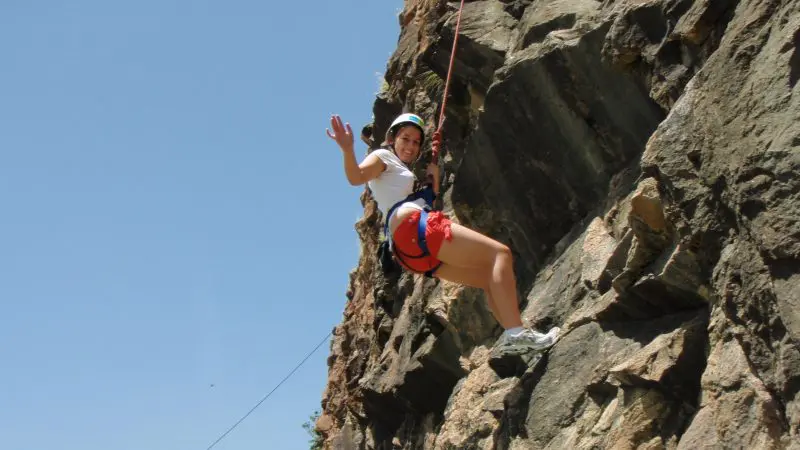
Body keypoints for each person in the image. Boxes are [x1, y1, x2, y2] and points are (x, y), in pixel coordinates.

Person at [326, 113, 560, 357]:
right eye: (405, 138)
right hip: (414, 228)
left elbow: (424, 199)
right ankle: (516, 333)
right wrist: (347, 149)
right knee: (500, 254)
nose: (411, 146)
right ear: (392, 139)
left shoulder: (401, 177)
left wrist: (432, 182)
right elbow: (356, 177)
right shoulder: (382, 156)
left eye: (416, 142)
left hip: (409, 250)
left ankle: (518, 339)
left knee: (487, 278)